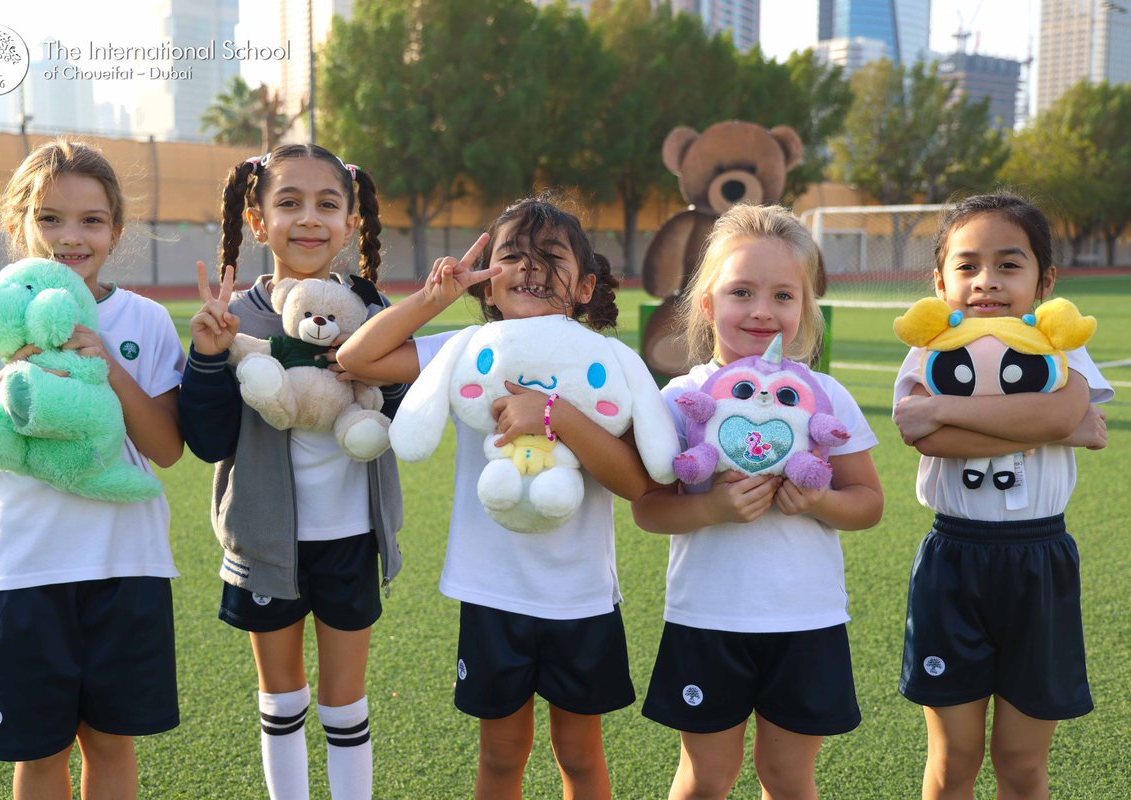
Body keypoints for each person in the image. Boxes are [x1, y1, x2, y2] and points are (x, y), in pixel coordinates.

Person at [338, 196, 649, 800]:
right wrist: (437, 297)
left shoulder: (605, 363)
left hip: (580, 595)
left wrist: (555, 414)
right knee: (502, 756)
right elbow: (358, 357)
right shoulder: (467, 350)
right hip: (492, 592)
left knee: (581, 758)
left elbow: (636, 482)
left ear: (585, 285)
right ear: (488, 282)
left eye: (551, 257)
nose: (530, 268)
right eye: (512, 256)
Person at [0, 138, 186, 798]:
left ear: (116, 231)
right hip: (26, 567)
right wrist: (5, 379)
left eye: (91, 220)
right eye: (48, 218)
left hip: (125, 565)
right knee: (39, 753)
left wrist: (102, 357)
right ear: (15, 223)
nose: (69, 237)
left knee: (110, 744)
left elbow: (165, 448)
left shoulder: (148, 321)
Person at [632, 204, 884, 800]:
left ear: (805, 309)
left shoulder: (824, 395)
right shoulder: (680, 398)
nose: (762, 311)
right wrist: (709, 509)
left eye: (783, 295)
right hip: (708, 618)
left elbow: (869, 502)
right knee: (706, 777)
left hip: (806, 619)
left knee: (789, 778)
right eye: (741, 291)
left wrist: (819, 501)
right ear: (706, 303)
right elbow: (649, 507)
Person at [178, 144, 403, 800]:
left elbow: (401, 415)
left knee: (344, 705)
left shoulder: (371, 313)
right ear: (257, 221)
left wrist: (370, 369)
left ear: (351, 223)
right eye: (289, 202)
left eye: (327, 204)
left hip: (351, 540)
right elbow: (209, 438)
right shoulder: (237, 316)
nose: (309, 219)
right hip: (265, 542)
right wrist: (209, 357)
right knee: (281, 701)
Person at [892, 193, 1112, 800]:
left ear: (1045, 280)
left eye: (1009, 265)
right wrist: (1051, 425)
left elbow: (1067, 405)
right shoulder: (932, 346)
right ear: (940, 280)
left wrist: (945, 409)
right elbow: (922, 435)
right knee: (953, 760)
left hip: (1038, 559)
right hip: (954, 559)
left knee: (1020, 762)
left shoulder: (1056, 339)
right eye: (967, 266)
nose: (986, 281)